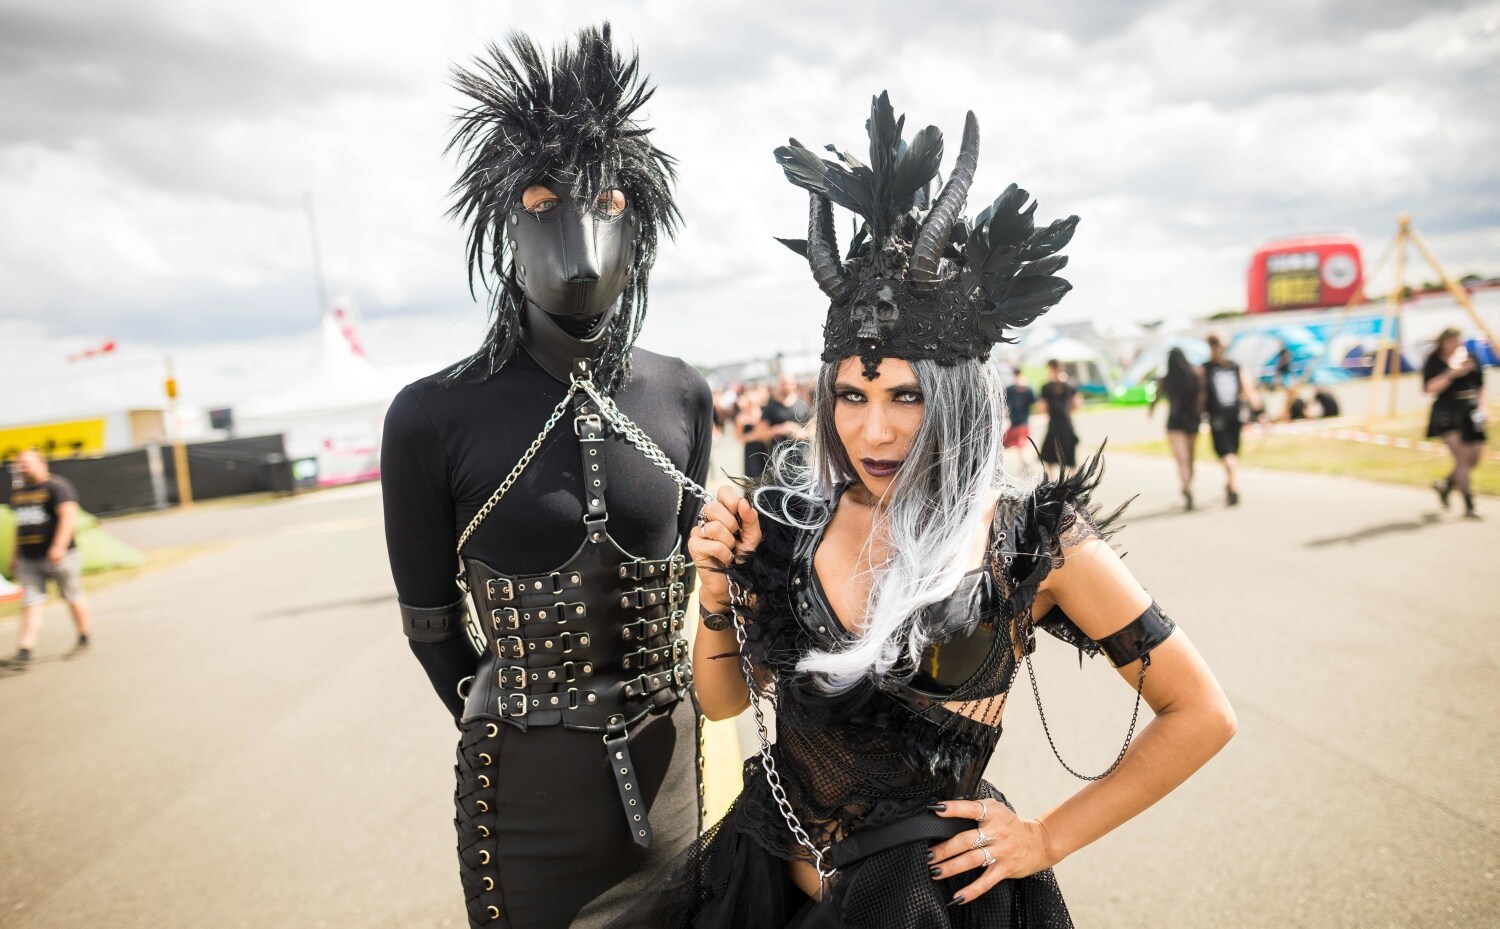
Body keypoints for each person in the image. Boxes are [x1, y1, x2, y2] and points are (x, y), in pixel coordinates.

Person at [614, 91, 1236, 929]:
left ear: (955, 397)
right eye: (852, 393)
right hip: (755, 890)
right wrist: (718, 592)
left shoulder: (1030, 545)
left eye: (907, 394)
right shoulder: (791, 521)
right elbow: (724, 703)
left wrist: (1046, 837)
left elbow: (1200, 712)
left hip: (920, 909)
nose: (875, 428)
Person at [379, 26, 713, 928]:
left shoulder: (681, 392)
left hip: (671, 772)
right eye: (540, 196)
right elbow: (430, 625)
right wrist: (514, 728)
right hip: (523, 801)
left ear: (638, 217)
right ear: (502, 219)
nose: (579, 232)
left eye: (605, 198)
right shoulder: (430, 414)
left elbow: (706, 577)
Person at [3, 450, 93, 670]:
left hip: (59, 556)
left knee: (72, 595)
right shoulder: (19, 492)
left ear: (41, 464)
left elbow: (68, 516)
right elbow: (21, 525)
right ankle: (25, 651)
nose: (22, 467)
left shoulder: (57, 487)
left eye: (26, 463)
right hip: (29, 559)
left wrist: (59, 546)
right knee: (31, 601)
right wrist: (16, 554)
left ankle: (83, 637)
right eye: (19, 464)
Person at [1424, 327, 1486, 519]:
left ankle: (1447, 485)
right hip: (1447, 412)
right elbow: (1430, 388)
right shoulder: (1434, 360)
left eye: (1457, 340)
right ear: (1443, 343)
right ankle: (1469, 504)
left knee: (1474, 457)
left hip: (1469, 410)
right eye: (1450, 341)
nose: (1455, 344)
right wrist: (1452, 373)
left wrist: (1483, 409)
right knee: (1462, 457)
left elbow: (1481, 385)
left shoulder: (1470, 356)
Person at [1201, 333, 1259, 506]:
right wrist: (1259, 410)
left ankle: (1232, 484)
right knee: (1232, 452)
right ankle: (1231, 481)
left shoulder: (1205, 368)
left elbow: (1200, 394)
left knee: (1226, 454)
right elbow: (1248, 389)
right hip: (1235, 415)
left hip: (1217, 417)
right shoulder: (1234, 366)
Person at [1150, 347, 1203, 510]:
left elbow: (1156, 398)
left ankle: (1185, 487)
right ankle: (1189, 485)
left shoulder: (1165, 380)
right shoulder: (1194, 375)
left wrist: (1151, 410)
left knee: (1182, 459)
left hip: (1175, 422)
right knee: (1191, 457)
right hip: (1193, 420)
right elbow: (1201, 396)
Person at [1038, 359, 1080, 480]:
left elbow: (1042, 409)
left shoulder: (1046, 387)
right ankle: (1072, 487)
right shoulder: (1070, 385)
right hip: (1067, 425)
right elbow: (1076, 405)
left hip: (1054, 426)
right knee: (1070, 461)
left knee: (1049, 460)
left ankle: (1052, 487)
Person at [1002, 367, 1037, 473]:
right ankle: (1026, 464)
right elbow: (1005, 402)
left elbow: (1034, 403)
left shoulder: (1027, 389)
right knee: (1017, 445)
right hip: (1015, 422)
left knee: (1020, 445)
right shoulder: (1011, 389)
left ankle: (1027, 464)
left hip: (1022, 423)